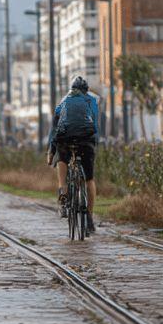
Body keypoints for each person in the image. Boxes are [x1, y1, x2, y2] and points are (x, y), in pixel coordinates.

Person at [49, 76, 100, 233]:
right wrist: (94, 143)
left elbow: (55, 126)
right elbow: (95, 124)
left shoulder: (64, 101)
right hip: (86, 141)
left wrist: (51, 150)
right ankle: (89, 218)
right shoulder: (92, 100)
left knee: (62, 159)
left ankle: (63, 190)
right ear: (86, 91)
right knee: (90, 180)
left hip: (65, 140)